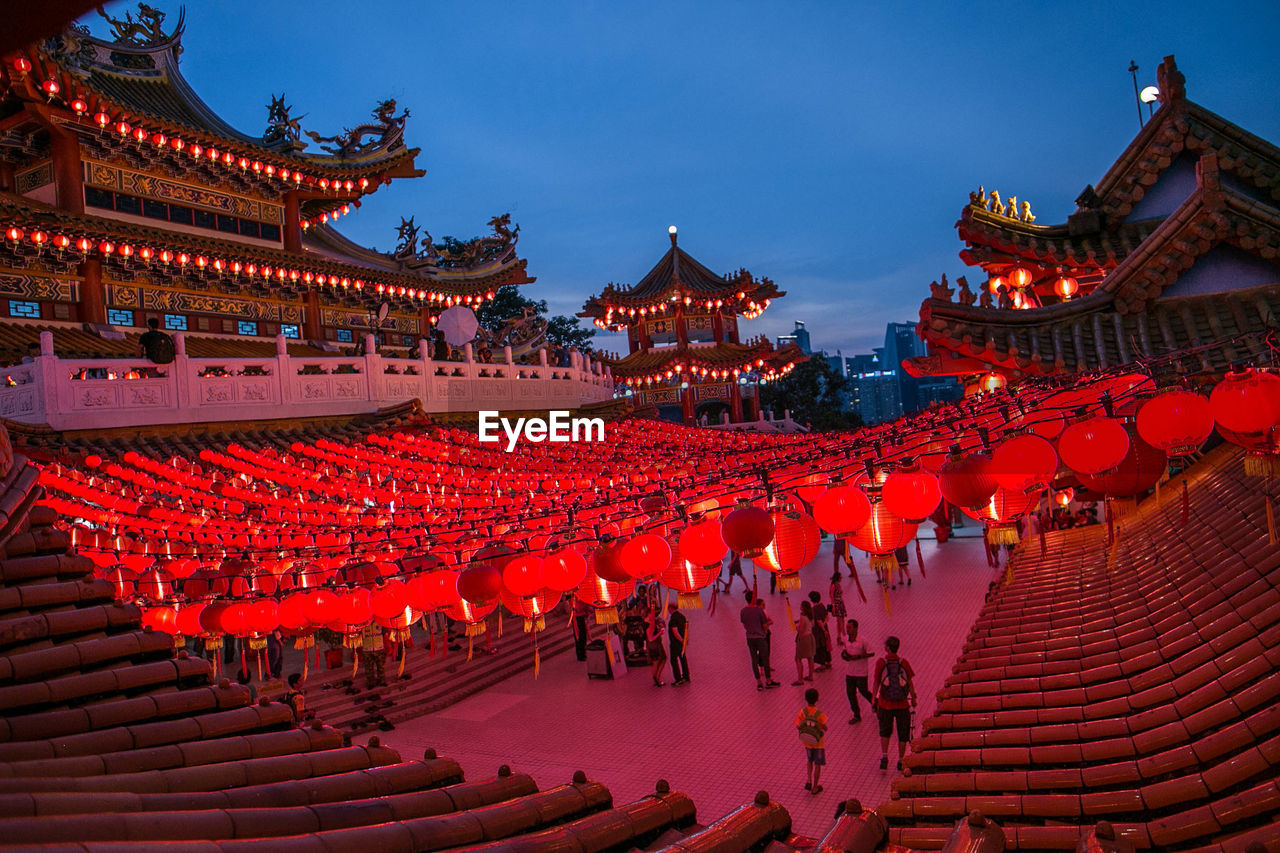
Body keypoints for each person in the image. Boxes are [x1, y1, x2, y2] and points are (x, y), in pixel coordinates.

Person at [872, 635, 918, 771]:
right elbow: (909, 682)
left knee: (885, 731)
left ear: (887, 648)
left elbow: (876, 682)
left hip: (885, 704)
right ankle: (901, 760)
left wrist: (874, 699)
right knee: (902, 733)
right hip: (902, 704)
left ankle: (885, 757)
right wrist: (914, 698)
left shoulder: (881, 663)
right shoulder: (904, 663)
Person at [740, 590, 779, 691]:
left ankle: (759, 682)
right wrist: (764, 631)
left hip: (750, 637)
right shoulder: (759, 611)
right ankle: (768, 680)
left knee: (754, 660)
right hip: (760, 637)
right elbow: (765, 625)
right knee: (765, 658)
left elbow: (744, 625)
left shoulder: (743, 611)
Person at [795, 687, 828, 795]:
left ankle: (808, 780)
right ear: (817, 699)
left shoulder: (802, 712)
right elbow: (824, 727)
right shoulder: (819, 713)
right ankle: (815, 786)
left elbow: (798, 725)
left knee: (809, 761)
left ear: (805, 699)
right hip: (818, 743)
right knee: (818, 764)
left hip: (807, 742)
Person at [841, 619, 874, 723]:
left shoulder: (863, 640)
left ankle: (876, 704)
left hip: (861, 672)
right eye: (847, 627)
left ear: (856, 628)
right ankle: (856, 714)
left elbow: (871, 653)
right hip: (850, 672)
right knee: (850, 693)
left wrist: (858, 656)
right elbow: (844, 651)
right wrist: (845, 656)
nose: (847, 629)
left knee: (864, 691)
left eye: (849, 627)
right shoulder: (845, 639)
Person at [793, 599, 816, 685]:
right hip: (810, 637)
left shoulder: (803, 617)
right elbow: (812, 625)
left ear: (803, 608)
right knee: (810, 657)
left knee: (798, 658)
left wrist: (796, 626)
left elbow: (801, 630)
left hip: (803, 639)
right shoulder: (811, 616)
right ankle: (810, 675)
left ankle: (800, 679)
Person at [667, 603, 690, 685]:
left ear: (671, 608)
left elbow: (675, 631)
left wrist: (681, 640)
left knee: (673, 660)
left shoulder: (673, 619)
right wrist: (685, 639)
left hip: (675, 643)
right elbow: (686, 628)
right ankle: (686, 676)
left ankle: (678, 678)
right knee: (683, 659)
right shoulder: (682, 616)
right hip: (681, 643)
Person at [809, 591, 831, 671]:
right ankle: (828, 661)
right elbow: (827, 617)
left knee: (819, 647)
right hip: (825, 629)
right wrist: (825, 626)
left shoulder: (814, 609)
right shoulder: (822, 606)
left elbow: (818, 621)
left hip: (818, 632)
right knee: (826, 645)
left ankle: (822, 664)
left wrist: (823, 629)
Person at [646, 608, 668, 686]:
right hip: (655, 645)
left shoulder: (647, 623)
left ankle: (655, 677)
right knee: (662, 659)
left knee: (655, 662)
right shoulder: (649, 625)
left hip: (650, 646)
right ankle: (657, 677)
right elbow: (650, 638)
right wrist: (659, 633)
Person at [829, 572, 848, 647]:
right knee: (841, 621)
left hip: (840, 603)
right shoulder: (833, 585)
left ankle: (839, 637)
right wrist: (833, 605)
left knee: (840, 621)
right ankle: (844, 637)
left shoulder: (837, 585)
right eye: (840, 577)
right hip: (837, 604)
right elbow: (831, 595)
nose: (841, 578)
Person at [571, 596, 591, 661]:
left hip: (581, 617)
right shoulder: (574, 598)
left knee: (583, 636)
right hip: (577, 618)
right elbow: (577, 608)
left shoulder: (581, 597)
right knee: (579, 636)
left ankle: (583, 653)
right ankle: (580, 655)